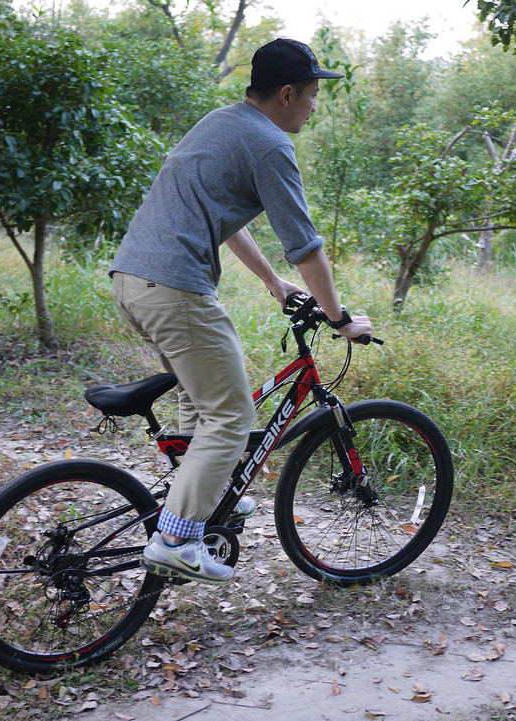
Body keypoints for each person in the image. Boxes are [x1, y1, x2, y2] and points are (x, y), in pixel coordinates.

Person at [109, 38, 372, 584]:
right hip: (176, 288)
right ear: (286, 94)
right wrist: (340, 317)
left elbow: (229, 221)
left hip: (132, 279)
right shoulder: (269, 143)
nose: (314, 106)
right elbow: (306, 245)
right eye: (312, 95)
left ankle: (205, 501)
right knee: (232, 415)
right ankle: (178, 538)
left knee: (200, 401)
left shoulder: (221, 123)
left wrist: (274, 283)